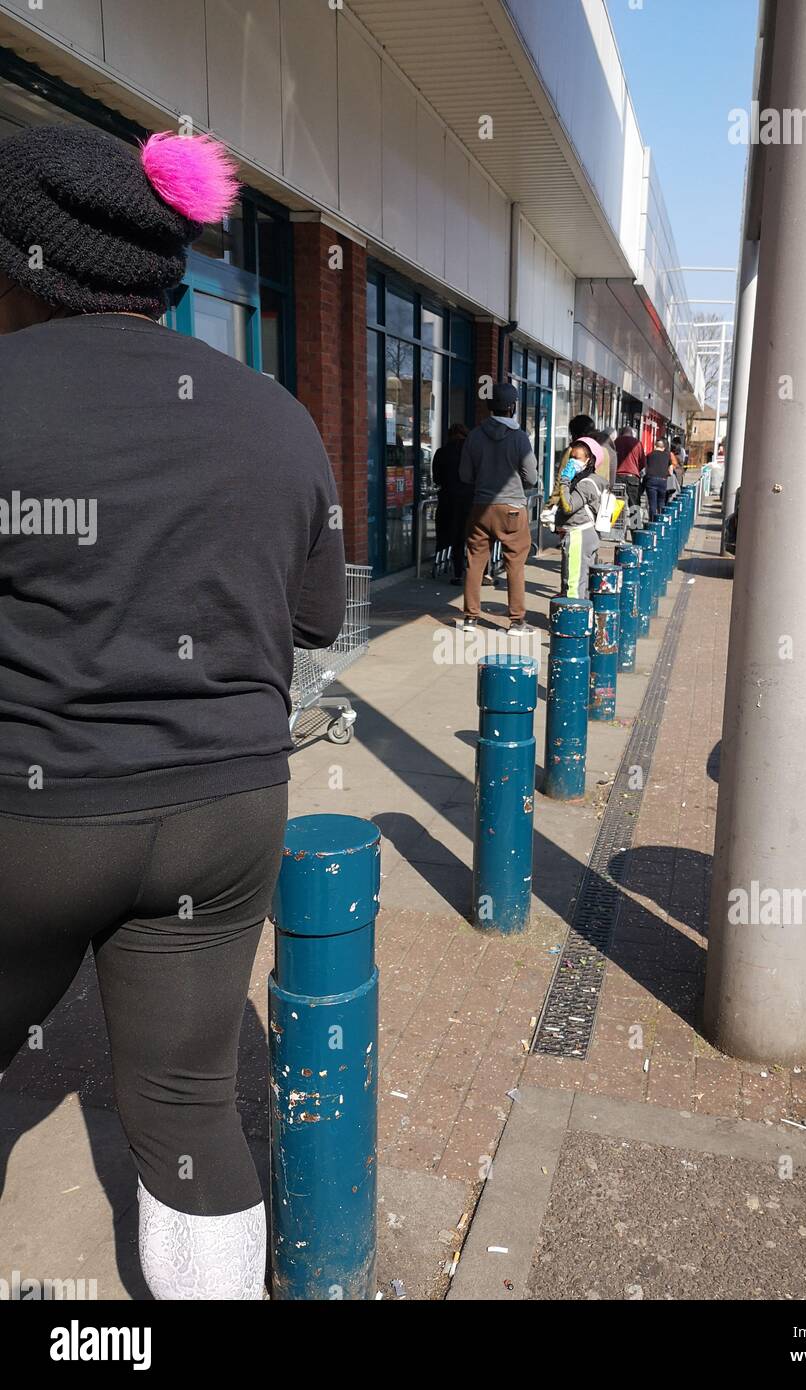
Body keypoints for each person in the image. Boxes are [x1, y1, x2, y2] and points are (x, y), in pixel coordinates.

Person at [0, 125, 346, 1300]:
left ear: (23, 268)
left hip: (33, 817)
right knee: (192, 1110)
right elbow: (313, 622)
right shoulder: (278, 419)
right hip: (225, 811)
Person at [459, 382, 538, 634]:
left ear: (489, 405)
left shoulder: (474, 435)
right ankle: (516, 621)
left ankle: (471, 618)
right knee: (514, 563)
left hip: (481, 506)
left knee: (475, 562)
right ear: (512, 407)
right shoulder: (519, 437)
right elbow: (532, 478)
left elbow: (464, 475)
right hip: (513, 508)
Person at [552, 437, 608, 600]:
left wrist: (564, 481)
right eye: (571, 457)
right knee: (581, 581)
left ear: (589, 460)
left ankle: (573, 623)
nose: (572, 462)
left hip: (579, 535)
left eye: (577, 458)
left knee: (574, 586)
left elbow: (569, 506)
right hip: (581, 534)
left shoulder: (586, 483)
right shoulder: (587, 480)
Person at [431, 423, 471, 583]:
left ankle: (453, 570)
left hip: (447, 499)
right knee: (472, 537)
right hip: (469, 500)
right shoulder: (470, 453)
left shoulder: (441, 453)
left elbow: (437, 479)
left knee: (448, 535)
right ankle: (480, 573)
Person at [615, 425, 645, 512]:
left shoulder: (616, 442)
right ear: (632, 434)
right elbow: (642, 462)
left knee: (617, 502)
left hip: (618, 476)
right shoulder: (637, 443)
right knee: (634, 503)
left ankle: (616, 524)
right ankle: (635, 524)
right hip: (632, 476)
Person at [643, 432, 672, 519]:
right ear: (663, 448)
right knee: (661, 502)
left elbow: (645, 469)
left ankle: (652, 521)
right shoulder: (667, 456)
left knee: (652, 503)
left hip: (651, 480)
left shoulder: (649, 455)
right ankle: (660, 521)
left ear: (655, 446)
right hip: (663, 480)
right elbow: (670, 471)